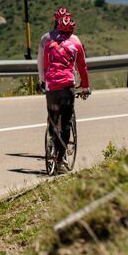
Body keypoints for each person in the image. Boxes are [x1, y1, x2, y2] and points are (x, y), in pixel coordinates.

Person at [41, 14, 91, 164]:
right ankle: (60, 157)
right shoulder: (76, 45)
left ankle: (51, 141)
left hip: (51, 86)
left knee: (53, 117)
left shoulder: (49, 45)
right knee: (67, 121)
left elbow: (45, 66)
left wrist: (44, 83)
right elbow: (82, 67)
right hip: (67, 85)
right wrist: (86, 87)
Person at [37, 6, 70, 92]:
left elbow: (40, 62)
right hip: (69, 78)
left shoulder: (45, 38)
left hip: (51, 79)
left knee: (52, 103)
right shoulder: (73, 39)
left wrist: (42, 80)